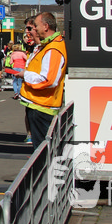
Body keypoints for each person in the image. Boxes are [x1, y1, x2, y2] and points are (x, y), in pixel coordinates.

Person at [20, 12, 68, 146]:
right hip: (39, 104)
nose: (34, 29)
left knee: (43, 148)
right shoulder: (48, 45)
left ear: (46, 26)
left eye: (36, 26)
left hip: (42, 106)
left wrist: (25, 75)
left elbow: (48, 80)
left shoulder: (53, 48)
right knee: (43, 147)